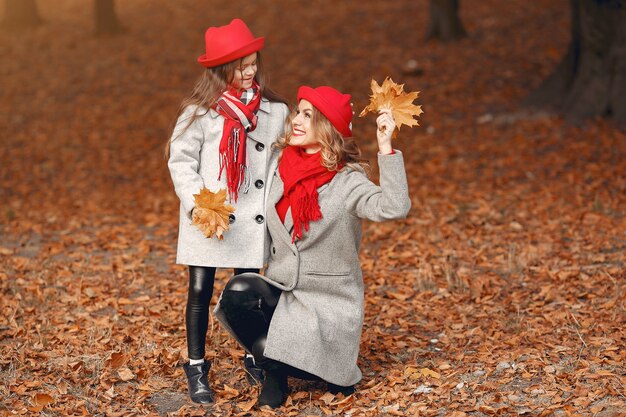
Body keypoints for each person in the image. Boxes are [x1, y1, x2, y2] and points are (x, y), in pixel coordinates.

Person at [215, 85, 411, 408]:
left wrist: (385, 146)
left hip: (327, 303)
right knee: (237, 292)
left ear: (327, 128)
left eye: (308, 115)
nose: (297, 120)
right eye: (298, 112)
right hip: (284, 289)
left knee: (330, 376)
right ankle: (274, 372)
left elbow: (394, 207)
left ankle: (312, 365)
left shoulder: (347, 181)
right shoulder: (280, 166)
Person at [167, 18, 289, 404]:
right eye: (240, 66)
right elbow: (180, 161)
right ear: (221, 71)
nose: (250, 71)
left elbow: (282, 164)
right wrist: (200, 202)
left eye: (253, 63)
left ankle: (256, 354)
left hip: (251, 219)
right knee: (200, 290)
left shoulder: (274, 112)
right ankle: (196, 365)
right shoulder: (199, 112)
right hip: (212, 217)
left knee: (247, 290)